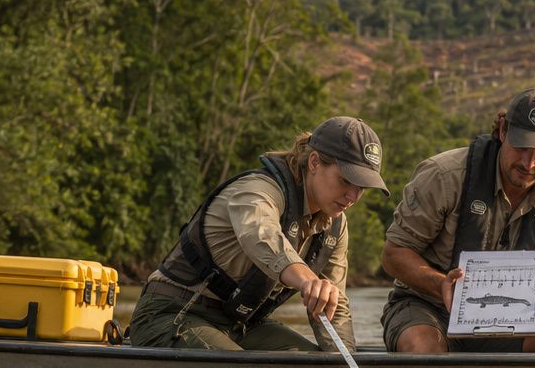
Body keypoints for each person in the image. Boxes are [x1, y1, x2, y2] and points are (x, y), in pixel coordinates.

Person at [130, 116, 387, 352]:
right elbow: (262, 236)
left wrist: (344, 365)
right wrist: (308, 281)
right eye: (345, 181)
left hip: (241, 325)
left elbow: (335, 310)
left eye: (361, 188)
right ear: (314, 162)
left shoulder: (336, 226)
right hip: (172, 313)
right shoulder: (258, 190)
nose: (353, 197)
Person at [380, 88, 535, 354]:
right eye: (521, 147)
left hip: (518, 320)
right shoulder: (443, 176)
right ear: (503, 130)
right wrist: (441, 285)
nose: (528, 163)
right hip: (429, 308)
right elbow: (393, 254)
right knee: (423, 344)